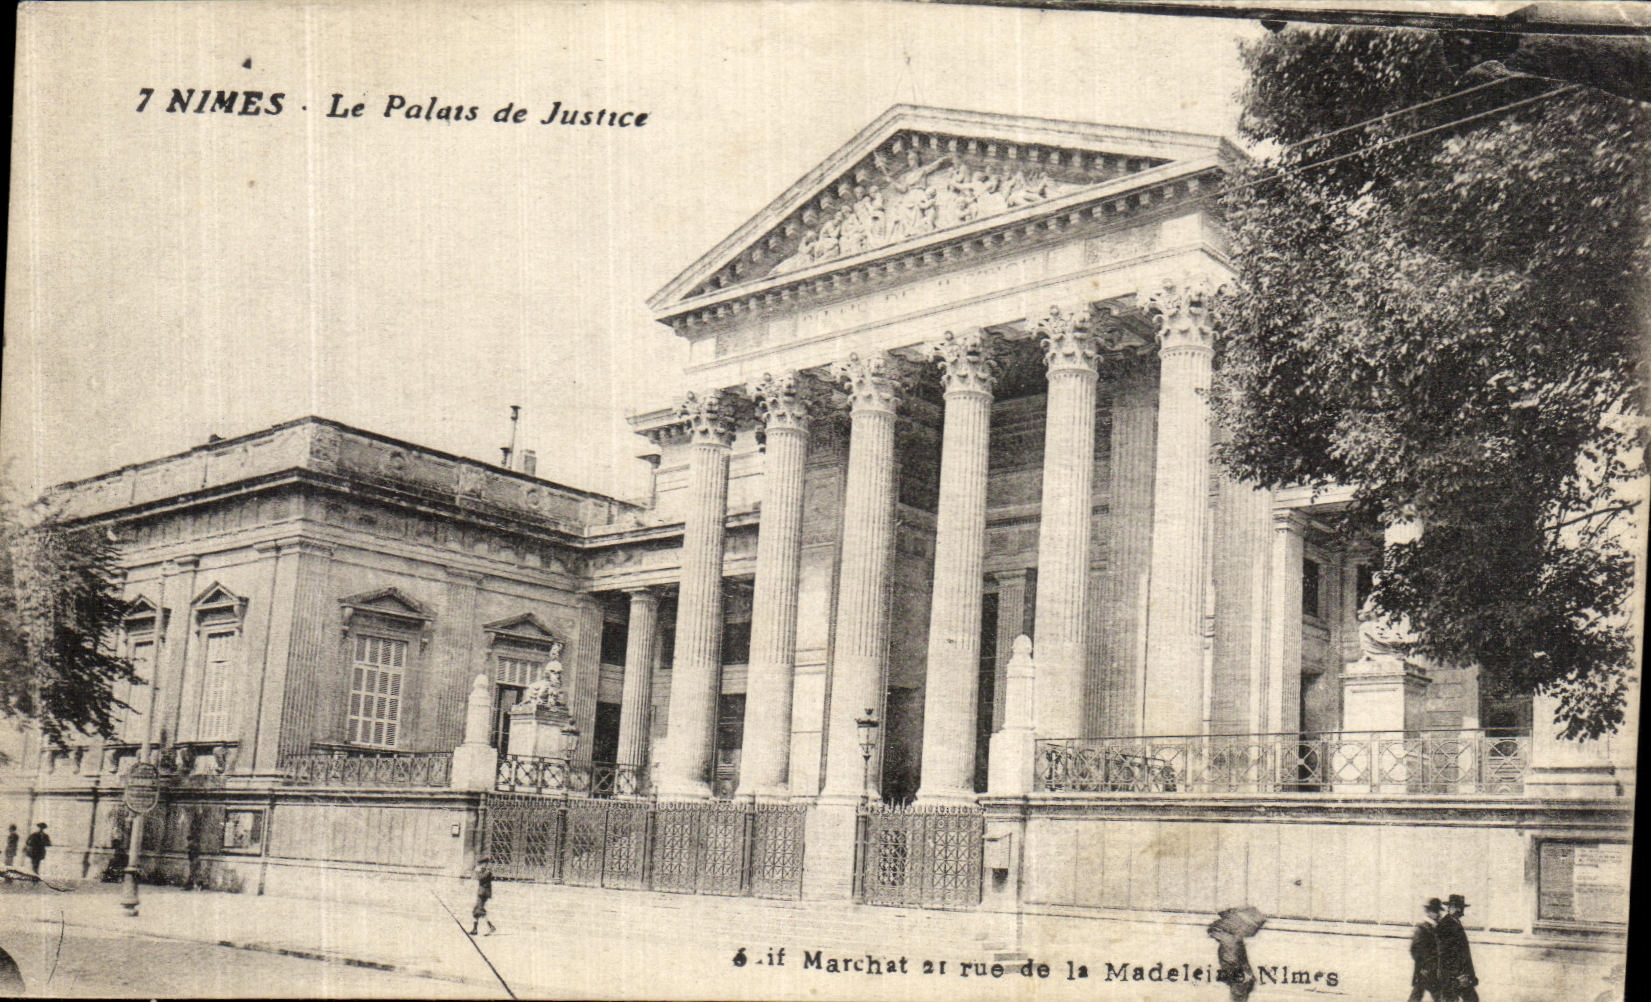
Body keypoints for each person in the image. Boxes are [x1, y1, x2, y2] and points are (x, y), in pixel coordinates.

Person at [1437, 893, 1479, 1002]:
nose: (1460, 910)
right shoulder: (1445, 925)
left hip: (1460, 975)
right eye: (1457, 907)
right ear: (1451, 908)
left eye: (1461, 907)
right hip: (1453, 976)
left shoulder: (1455, 923)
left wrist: (1469, 974)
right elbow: (1446, 953)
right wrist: (1457, 975)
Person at [1208, 922, 1256, 1001]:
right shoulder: (1233, 941)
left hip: (1238, 976)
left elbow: (1233, 962)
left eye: (1214, 934)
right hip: (1241, 975)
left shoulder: (1229, 944)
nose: (1214, 937)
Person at [1408, 897, 1444, 1001]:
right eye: (1434, 911)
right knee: (1417, 995)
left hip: (1434, 970)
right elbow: (1414, 950)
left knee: (1438, 996)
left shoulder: (1438, 928)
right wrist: (1423, 966)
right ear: (1428, 912)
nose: (1437, 914)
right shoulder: (1422, 929)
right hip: (1424, 971)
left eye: (1438, 911)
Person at [469, 857, 496, 936]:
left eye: (482, 864)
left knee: (479, 910)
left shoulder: (488, 871)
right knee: (476, 910)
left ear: (485, 864)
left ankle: (490, 927)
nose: (481, 865)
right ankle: (475, 929)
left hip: (483, 893)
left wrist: (476, 871)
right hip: (481, 892)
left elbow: (480, 878)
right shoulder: (484, 871)